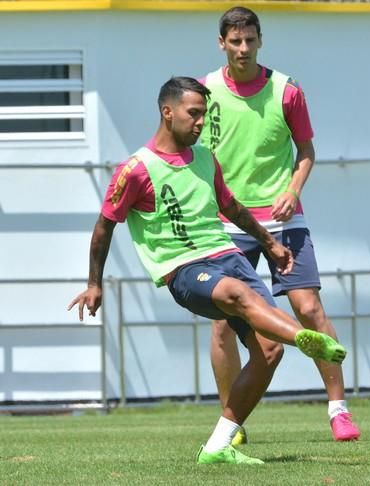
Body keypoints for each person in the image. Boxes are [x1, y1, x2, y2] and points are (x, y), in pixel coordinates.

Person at [67, 76, 347, 465]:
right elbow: (104, 227)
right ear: (168, 112)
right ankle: (305, 336)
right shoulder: (134, 170)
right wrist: (94, 283)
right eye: (193, 113)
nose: (200, 123)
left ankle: (219, 444)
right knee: (237, 294)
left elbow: (231, 209)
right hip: (184, 269)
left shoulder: (204, 159)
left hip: (226, 255)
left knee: (268, 351)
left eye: (203, 115)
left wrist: (269, 243)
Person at [198, 6, 360, 443]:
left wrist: (292, 189)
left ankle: (338, 409)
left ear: (260, 40)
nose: (243, 48)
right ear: (222, 44)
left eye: (250, 40)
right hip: (225, 223)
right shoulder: (204, 91)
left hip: (283, 217)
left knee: (307, 308)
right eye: (235, 41)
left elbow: (306, 152)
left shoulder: (286, 90)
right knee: (220, 324)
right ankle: (231, 423)